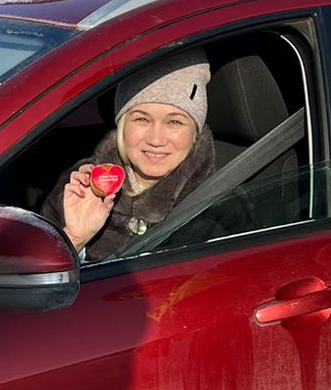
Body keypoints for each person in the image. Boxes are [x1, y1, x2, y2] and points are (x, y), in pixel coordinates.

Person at [41, 52, 217, 261]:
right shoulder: (78, 189)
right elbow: (32, 284)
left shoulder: (218, 205)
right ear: (122, 126)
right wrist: (75, 239)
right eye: (142, 119)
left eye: (174, 122)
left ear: (195, 134)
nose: (156, 139)